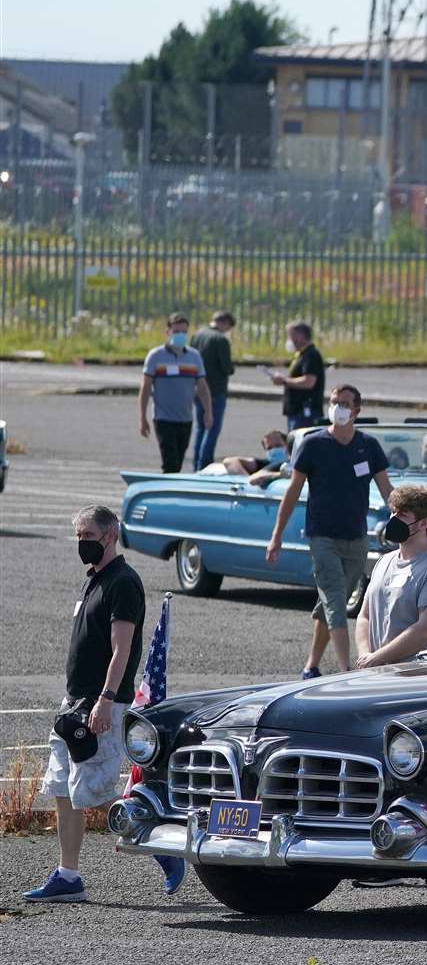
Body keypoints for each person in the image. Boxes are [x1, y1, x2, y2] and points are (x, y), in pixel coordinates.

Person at [26, 506, 184, 901]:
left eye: (89, 537)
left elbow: (122, 649)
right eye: (78, 536)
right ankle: (68, 876)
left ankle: (162, 846)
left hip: (102, 704)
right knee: (62, 786)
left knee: (95, 791)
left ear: (111, 535)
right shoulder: (92, 581)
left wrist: (106, 700)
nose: (82, 544)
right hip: (73, 703)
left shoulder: (123, 583)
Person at [265, 385, 393, 678]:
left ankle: (311, 666)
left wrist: (408, 519)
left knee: (330, 602)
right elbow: (292, 491)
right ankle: (346, 672)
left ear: (357, 410)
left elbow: (387, 490)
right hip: (322, 537)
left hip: (357, 538)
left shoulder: (369, 446)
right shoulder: (313, 444)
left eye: (345, 404)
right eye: (335, 402)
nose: (339, 408)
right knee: (336, 601)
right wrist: (276, 537)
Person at [354, 484, 427, 668]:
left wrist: (378, 658)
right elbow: (365, 616)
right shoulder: (384, 562)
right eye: (393, 512)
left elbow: (425, 630)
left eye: (402, 515)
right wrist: (366, 656)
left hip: (416, 677)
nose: (393, 519)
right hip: (376, 673)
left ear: (424, 523)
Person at [139, 313, 212, 474]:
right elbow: (145, 387)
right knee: (170, 461)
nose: (180, 336)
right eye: (176, 332)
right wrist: (142, 417)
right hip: (163, 418)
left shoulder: (194, 357)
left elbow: (202, 387)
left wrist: (208, 411)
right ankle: (165, 493)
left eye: (184, 332)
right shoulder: (155, 356)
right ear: (168, 332)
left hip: (185, 418)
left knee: (178, 461)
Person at [189, 310, 235, 470]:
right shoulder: (221, 339)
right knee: (211, 429)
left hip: (197, 388)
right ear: (225, 323)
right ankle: (204, 465)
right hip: (216, 390)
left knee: (200, 428)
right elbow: (226, 367)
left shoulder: (198, 334)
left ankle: (196, 464)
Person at [271, 321, 325, 431]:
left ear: (300, 336)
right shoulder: (301, 355)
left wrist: (284, 381)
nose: (289, 340)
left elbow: (309, 382)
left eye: (291, 336)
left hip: (305, 413)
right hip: (296, 411)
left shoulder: (311, 355)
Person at [220, 429, 289, 478]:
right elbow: (229, 461)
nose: (274, 450)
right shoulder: (265, 464)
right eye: (269, 448)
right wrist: (247, 481)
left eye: (278, 445)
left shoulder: (294, 463)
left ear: (287, 446)